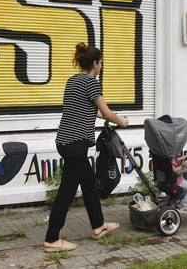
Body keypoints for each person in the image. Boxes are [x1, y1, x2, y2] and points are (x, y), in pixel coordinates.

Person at [43, 42, 129, 253]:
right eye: (100, 63)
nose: (101, 67)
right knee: (66, 192)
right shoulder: (92, 83)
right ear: (94, 63)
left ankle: (98, 226)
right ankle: (52, 239)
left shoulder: (73, 81)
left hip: (65, 141)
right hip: (75, 144)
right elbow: (106, 113)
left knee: (89, 185)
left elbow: (90, 110)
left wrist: (109, 115)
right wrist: (122, 121)